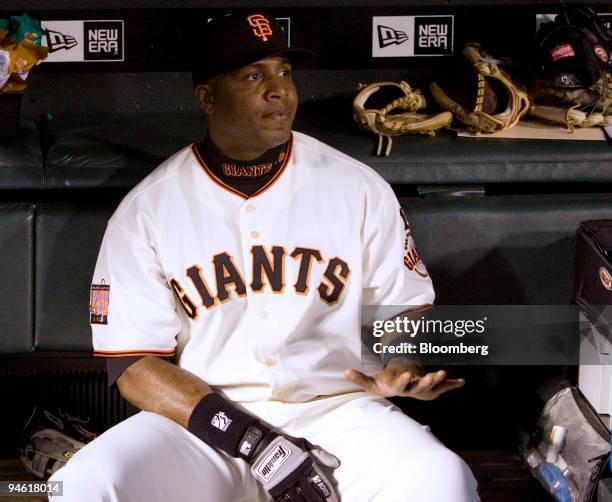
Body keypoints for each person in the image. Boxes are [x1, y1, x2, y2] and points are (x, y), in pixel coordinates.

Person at [50, 12, 479, 502]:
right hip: (207, 425)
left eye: (285, 72)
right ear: (207, 98)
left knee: (442, 480)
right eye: (254, 75)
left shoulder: (357, 187)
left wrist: (402, 360)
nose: (279, 90)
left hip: (338, 413)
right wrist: (250, 441)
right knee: (86, 482)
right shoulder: (149, 208)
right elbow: (133, 364)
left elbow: (404, 310)